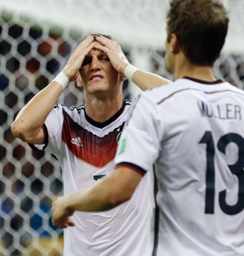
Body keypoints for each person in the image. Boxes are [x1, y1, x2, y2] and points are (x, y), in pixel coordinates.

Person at [51, 0, 244, 255]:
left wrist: (68, 202)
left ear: (173, 43)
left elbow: (118, 190)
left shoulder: (159, 107)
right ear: (218, 49)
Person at [11, 33, 170, 255]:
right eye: (86, 60)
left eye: (105, 58)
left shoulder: (140, 117)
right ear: (78, 76)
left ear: (119, 71)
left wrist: (127, 67)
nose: (94, 65)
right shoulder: (65, 122)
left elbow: (182, 101)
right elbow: (21, 127)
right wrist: (65, 73)